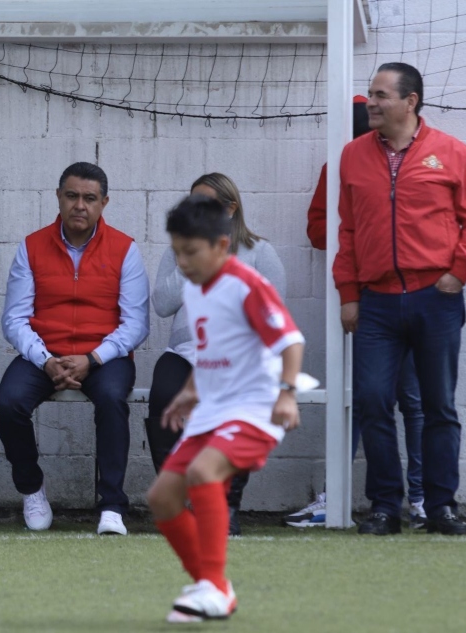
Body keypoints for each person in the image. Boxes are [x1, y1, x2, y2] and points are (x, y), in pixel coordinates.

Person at [335, 62, 466, 536]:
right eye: (369, 94)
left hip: (435, 299)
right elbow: (347, 231)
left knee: (438, 406)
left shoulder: (451, 152)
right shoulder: (352, 156)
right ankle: (385, 506)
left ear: (411, 101)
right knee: (373, 401)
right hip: (377, 303)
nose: (372, 103)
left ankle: (441, 507)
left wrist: (459, 272)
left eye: (381, 95)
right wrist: (349, 294)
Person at [147, 194, 304, 622]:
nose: (182, 262)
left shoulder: (246, 285)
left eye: (191, 252)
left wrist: (287, 393)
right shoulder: (196, 290)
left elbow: (290, 340)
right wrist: (191, 390)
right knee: (162, 498)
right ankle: (213, 586)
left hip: (255, 407)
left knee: (203, 473)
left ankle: (213, 585)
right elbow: (209, 350)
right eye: (177, 252)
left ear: (221, 245)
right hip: (212, 409)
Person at [285, 96, 427, 529]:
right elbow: (317, 230)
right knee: (365, 399)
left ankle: (422, 498)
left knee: (416, 401)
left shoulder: (418, 159)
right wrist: (364, 235)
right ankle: (337, 496)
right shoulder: (340, 164)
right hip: (363, 300)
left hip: (414, 296)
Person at [0, 162, 148, 535]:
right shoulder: (31, 246)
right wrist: (46, 361)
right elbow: (14, 319)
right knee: (7, 403)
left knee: (112, 400)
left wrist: (93, 358)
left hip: (104, 357)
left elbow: (136, 324)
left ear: (104, 203)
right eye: (73, 196)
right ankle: (31, 489)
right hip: (44, 354)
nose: (80, 205)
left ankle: (111, 505)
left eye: (90, 198)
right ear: (59, 197)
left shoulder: (124, 249)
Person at [147, 173, 286, 537]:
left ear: (230, 208)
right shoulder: (178, 251)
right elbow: (161, 305)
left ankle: (227, 506)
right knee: (164, 398)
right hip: (184, 352)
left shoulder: (260, 253)